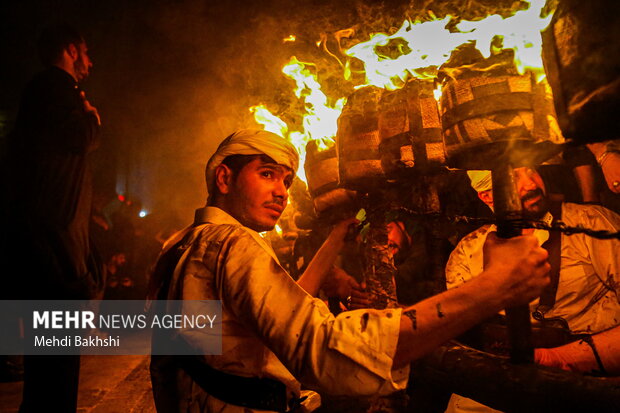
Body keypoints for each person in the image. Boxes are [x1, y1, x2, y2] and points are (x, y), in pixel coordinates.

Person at [148, 129, 550, 413]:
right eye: (266, 174)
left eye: (286, 180)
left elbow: (282, 316)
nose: (282, 191)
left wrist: (337, 236)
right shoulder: (231, 244)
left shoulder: (181, 245)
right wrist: (492, 288)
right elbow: (321, 349)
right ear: (224, 177)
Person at [444, 167, 620, 413]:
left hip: (587, 382)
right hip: (503, 383)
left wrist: (562, 359)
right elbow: (464, 332)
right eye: (513, 177)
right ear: (487, 196)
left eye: (531, 170)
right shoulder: (468, 252)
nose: (531, 184)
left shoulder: (590, 224)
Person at [4, 24, 102, 412]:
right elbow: (79, 137)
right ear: (71, 50)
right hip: (54, 247)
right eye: (86, 53)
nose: (90, 63)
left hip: (50, 242)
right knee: (56, 366)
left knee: (52, 363)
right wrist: (92, 117)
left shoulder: (44, 92)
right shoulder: (54, 89)